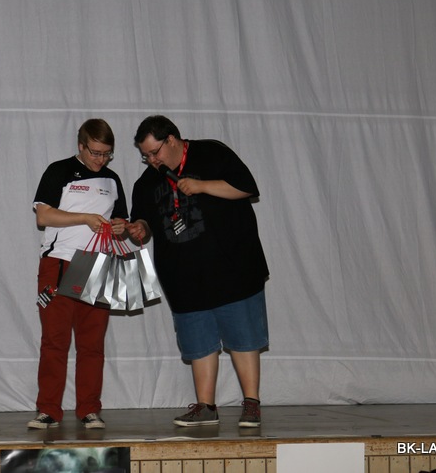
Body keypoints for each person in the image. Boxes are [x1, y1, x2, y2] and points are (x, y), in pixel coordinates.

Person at [125, 115, 269, 428]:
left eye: (155, 152)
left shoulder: (212, 153)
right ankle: (206, 406)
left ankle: (251, 404)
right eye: (146, 156)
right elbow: (144, 222)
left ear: (171, 139)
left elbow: (246, 187)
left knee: (243, 338)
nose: (151, 161)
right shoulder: (146, 183)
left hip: (233, 267)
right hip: (183, 277)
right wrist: (139, 228)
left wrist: (202, 186)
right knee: (199, 342)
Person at [28, 118, 129, 430]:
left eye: (107, 154)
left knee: (92, 344)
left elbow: (122, 222)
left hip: (96, 264)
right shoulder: (59, 171)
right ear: (81, 146)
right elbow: (43, 216)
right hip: (59, 263)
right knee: (55, 342)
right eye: (95, 153)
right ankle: (48, 410)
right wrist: (85, 217)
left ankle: (89, 409)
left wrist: (121, 227)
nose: (101, 159)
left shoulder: (112, 179)